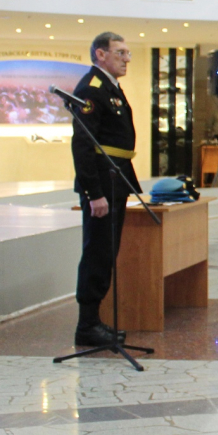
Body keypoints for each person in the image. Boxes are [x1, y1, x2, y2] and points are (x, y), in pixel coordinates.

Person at [71, 31, 139, 349]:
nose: (126, 59)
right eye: (120, 53)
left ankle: (95, 321)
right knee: (97, 252)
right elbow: (83, 145)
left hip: (116, 178)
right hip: (102, 183)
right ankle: (86, 325)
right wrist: (93, 193)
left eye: (127, 53)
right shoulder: (92, 88)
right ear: (101, 54)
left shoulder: (110, 87)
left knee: (107, 251)